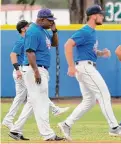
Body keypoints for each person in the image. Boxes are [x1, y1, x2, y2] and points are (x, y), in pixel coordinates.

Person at [57, 5, 121, 141]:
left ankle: (66, 124)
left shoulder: (92, 32)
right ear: (93, 16)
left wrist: (101, 53)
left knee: (89, 101)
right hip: (85, 68)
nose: (102, 17)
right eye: (100, 15)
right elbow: (68, 44)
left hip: (86, 66)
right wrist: (71, 66)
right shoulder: (85, 31)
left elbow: (89, 50)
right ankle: (114, 127)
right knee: (104, 94)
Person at [8, 9, 65, 141]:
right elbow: (29, 52)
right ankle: (48, 135)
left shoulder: (44, 30)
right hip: (35, 69)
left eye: (52, 20)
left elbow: (55, 43)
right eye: (49, 20)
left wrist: (54, 30)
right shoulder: (33, 31)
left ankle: (15, 130)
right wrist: (36, 71)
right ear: (41, 19)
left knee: (33, 102)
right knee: (42, 103)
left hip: (41, 69)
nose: (52, 22)